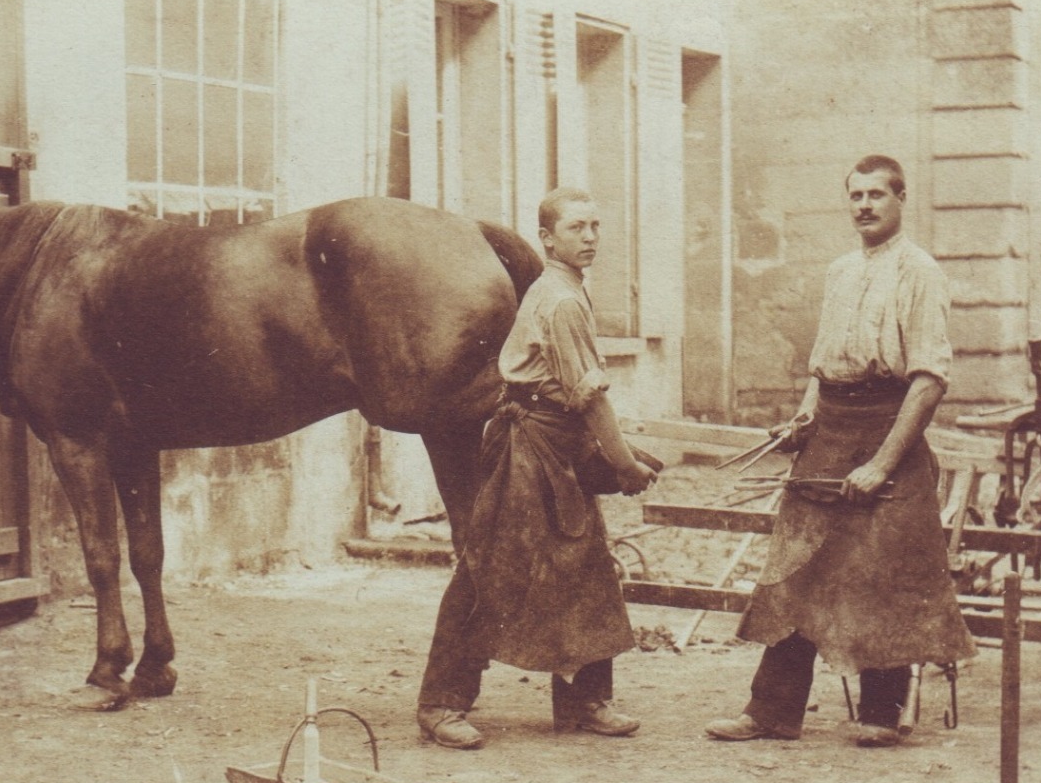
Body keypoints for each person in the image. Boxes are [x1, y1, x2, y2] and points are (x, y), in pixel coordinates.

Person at [704, 155, 976, 748]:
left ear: (902, 199)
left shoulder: (920, 272)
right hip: (830, 429)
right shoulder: (840, 271)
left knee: (884, 573)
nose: (864, 205)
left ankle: (881, 712)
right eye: (855, 195)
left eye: (877, 194)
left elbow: (928, 380)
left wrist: (881, 463)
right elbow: (823, 363)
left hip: (888, 427)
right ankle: (771, 712)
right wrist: (805, 415)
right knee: (794, 568)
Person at [416, 187, 659, 749]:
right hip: (529, 446)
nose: (591, 237)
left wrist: (609, 452)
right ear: (547, 239)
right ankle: (440, 703)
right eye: (577, 228)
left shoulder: (567, 290)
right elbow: (590, 396)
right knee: (488, 567)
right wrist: (622, 464)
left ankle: (583, 702)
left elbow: (580, 400)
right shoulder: (560, 299)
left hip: (559, 440)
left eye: (596, 226)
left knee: (585, 563)